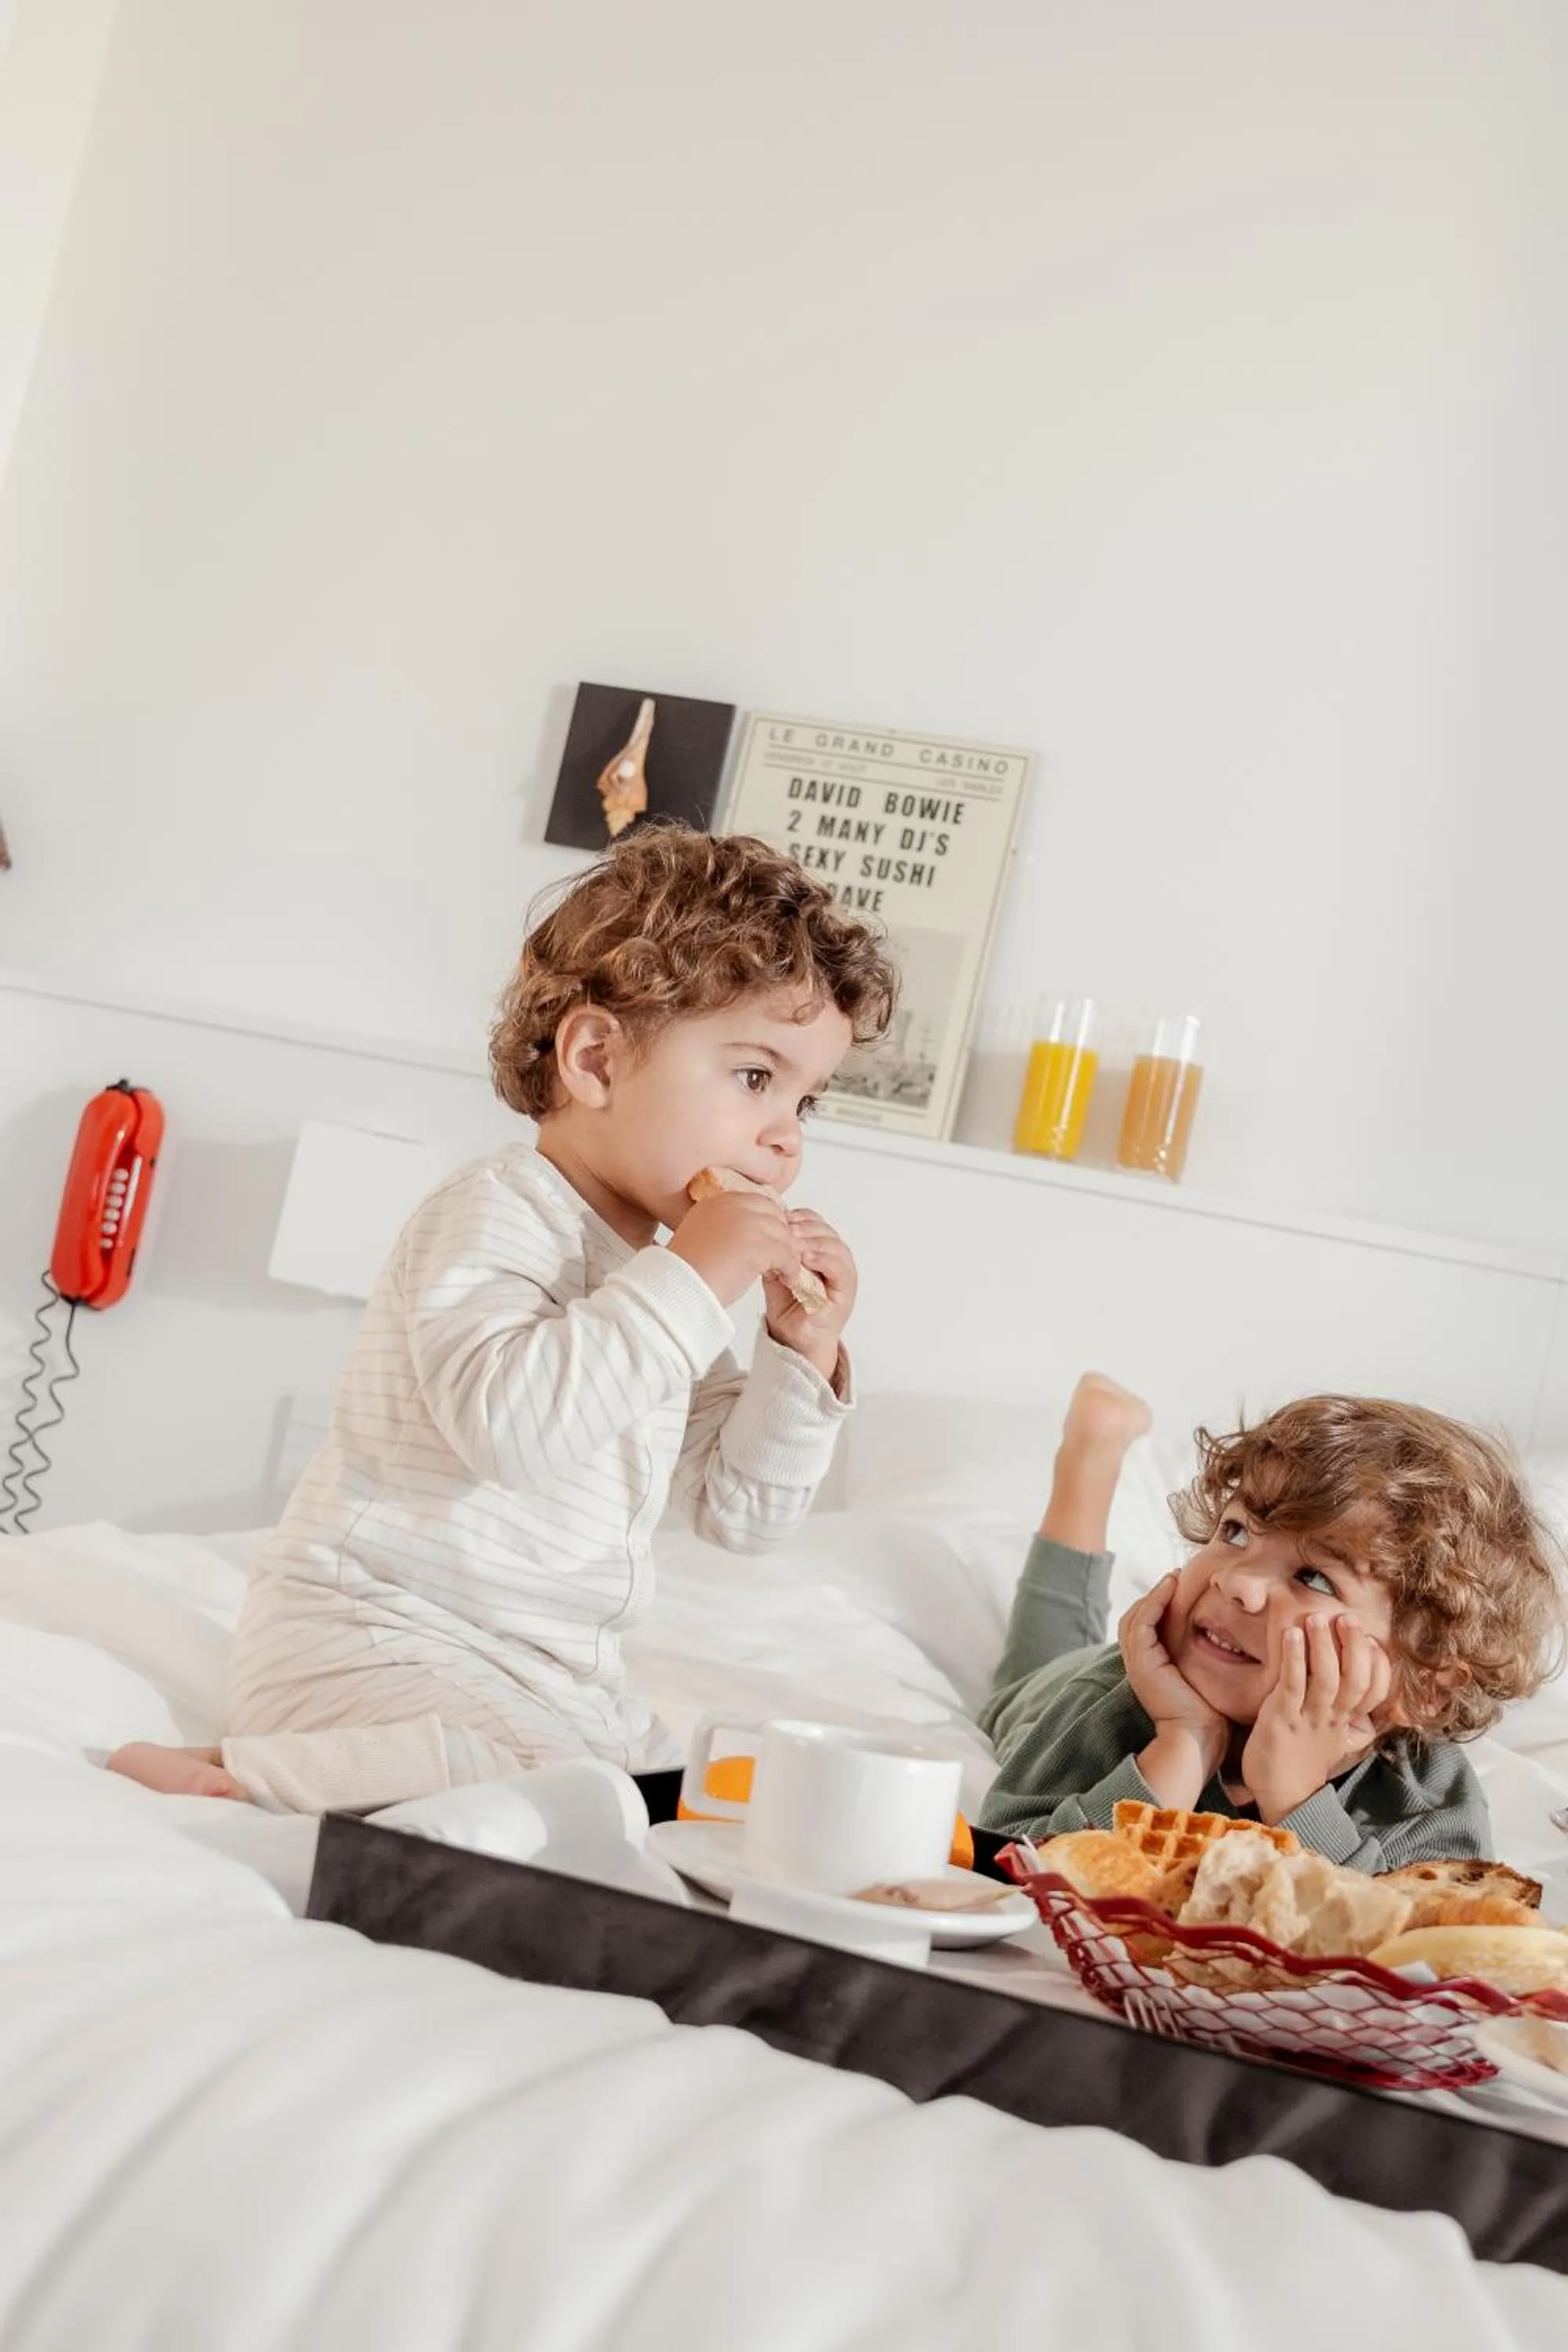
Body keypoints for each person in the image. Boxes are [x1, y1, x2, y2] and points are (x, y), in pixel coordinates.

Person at [110, 826, 897, 1810]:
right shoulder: (494, 1211)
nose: (783, 1137)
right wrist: (694, 1281)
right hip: (373, 1635)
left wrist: (796, 1353)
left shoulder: (654, 1286)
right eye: (754, 1077)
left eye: (805, 1102)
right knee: (532, 1785)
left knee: (673, 1799)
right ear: (598, 1059)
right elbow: (513, 1430)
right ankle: (230, 1778)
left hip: (548, 1676)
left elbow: (740, 1514)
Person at [978, 1374, 1564, 1867]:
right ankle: (1090, 1456)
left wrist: (1297, 1797)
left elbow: (1414, 1948)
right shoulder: (1112, 1696)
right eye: (1235, 1531)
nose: (1236, 1581)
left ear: (1428, 1687)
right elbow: (1004, 1859)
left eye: (1312, 1578)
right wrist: (1182, 1743)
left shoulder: (1432, 1802)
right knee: (1034, 1663)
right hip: (1062, 1686)